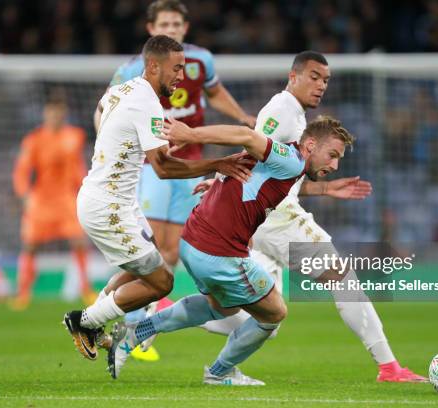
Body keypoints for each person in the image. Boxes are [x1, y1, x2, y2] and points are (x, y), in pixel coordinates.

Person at [194, 51, 427, 382]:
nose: (321, 86)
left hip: (265, 219)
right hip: (277, 220)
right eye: (314, 77)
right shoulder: (282, 110)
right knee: (343, 280)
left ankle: (159, 316)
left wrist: (325, 189)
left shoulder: (297, 117)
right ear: (294, 77)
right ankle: (389, 366)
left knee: (264, 317)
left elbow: (275, 172)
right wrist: (221, 183)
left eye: (326, 80)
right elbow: (254, 150)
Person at [106, 114, 355, 385]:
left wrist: (218, 183)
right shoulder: (290, 159)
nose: (335, 164)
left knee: (221, 307)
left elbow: (251, 175)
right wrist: (191, 134)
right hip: (218, 252)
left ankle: (136, 332)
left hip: (194, 240)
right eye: (332, 155)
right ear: (309, 146)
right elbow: (246, 135)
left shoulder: (285, 165)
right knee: (274, 313)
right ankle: (219, 372)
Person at [62, 35, 251, 362]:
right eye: (176, 69)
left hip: (116, 202)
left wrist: (163, 150)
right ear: (153, 66)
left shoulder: (121, 90)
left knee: (146, 271)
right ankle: (86, 321)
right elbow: (162, 168)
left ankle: (91, 320)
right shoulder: (146, 100)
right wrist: (217, 163)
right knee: (161, 282)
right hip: (108, 207)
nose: (181, 76)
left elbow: (138, 145)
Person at [98, 0, 255, 271]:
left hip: (191, 163)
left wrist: (242, 116)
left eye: (175, 24)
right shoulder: (134, 69)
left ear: (185, 28)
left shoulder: (200, 60)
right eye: (164, 25)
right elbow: (103, 109)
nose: (171, 29)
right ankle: (128, 305)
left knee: (174, 247)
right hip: (153, 163)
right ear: (151, 28)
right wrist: (108, 143)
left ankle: (152, 305)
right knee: (153, 242)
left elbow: (215, 93)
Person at [11, 93, 94, 310]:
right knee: (30, 246)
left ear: (64, 114)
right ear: (45, 113)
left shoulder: (75, 136)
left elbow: (78, 166)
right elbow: (21, 171)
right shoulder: (33, 140)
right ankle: (23, 293)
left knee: (79, 241)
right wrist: (24, 194)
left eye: (59, 112)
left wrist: (84, 190)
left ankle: (86, 289)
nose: (55, 116)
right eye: (51, 111)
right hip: (41, 200)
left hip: (66, 198)